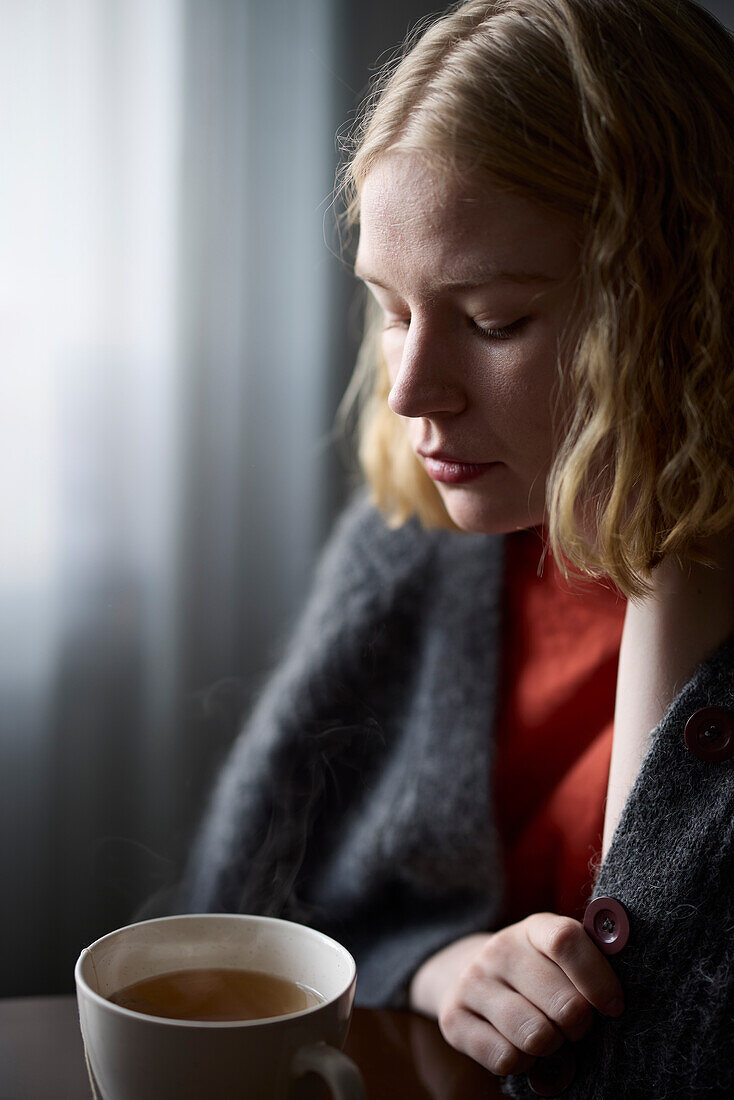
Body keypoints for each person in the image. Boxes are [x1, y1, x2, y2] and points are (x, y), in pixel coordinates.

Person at [173, 1, 734, 1094]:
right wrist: (441, 967)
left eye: (490, 321)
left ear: (674, 312)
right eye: (390, 308)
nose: (408, 392)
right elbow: (229, 929)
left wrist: (675, 566)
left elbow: (666, 1054)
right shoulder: (417, 540)